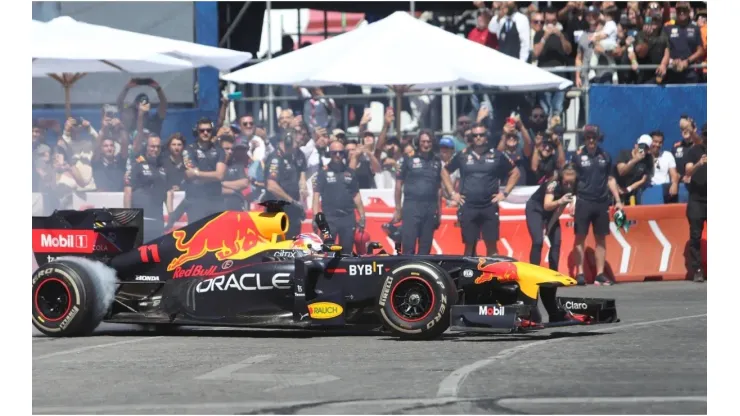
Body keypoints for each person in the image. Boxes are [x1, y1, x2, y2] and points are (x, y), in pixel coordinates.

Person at [444, 123, 520, 256]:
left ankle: (493, 276)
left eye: (481, 135)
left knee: (492, 247)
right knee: (469, 247)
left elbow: (515, 172)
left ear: (486, 137)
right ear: (471, 137)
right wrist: (452, 193)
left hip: (489, 206)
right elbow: (444, 171)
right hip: (467, 206)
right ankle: (469, 275)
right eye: (475, 135)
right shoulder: (462, 155)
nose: (478, 137)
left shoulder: (497, 154)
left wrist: (505, 193)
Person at [572, 124, 624, 286]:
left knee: (601, 238)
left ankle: (600, 274)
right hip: (583, 201)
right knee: (580, 237)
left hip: (601, 202)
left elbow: (610, 179)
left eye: (594, 137)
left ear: (598, 138)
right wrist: (572, 200)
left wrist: (618, 201)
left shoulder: (605, 156)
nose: (591, 140)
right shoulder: (578, 157)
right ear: (584, 139)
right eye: (588, 137)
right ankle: (580, 273)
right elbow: (571, 179)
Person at [393, 130, 456, 255]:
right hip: (411, 207)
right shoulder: (408, 159)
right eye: (423, 141)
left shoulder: (437, 161)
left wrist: (439, 213)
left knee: (425, 248)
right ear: (418, 142)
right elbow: (399, 185)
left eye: (428, 141)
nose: (426, 144)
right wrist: (398, 209)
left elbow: (439, 189)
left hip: (430, 208)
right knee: (409, 246)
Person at [311, 141, 365, 254]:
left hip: (348, 218)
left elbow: (356, 195)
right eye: (334, 153)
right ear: (330, 154)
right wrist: (315, 216)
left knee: (346, 252)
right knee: (327, 251)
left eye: (340, 153)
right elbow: (316, 195)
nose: (337, 155)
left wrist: (362, 215)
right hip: (329, 219)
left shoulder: (350, 173)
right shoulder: (322, 173)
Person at [526, 163, 577, 271]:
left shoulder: (574, 185)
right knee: (538, 241)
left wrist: (550, 225)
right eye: (566, 182)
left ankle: (553, 273)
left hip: (552, 212)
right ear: (562, 176)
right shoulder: (553, 184)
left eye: (571, 182)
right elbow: (547, 205)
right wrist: (560, 200)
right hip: (536, 208)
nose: (568, 185)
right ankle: (533, 272)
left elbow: (560, 209)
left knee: (556, 241)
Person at [182, 118, 227, 224]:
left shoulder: (219, 150)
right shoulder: (189, 150)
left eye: (208, 130)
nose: (205, 133)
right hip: (195, 201)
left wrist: (198, 174)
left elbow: (220, 175)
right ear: (196, 132)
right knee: (196, 236)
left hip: (216, 200)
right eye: (202, 130)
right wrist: (213, 175)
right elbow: (189, 174)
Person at [265, 129, 308, 239]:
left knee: (293, 246)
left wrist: (300, 203)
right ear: (288, 141)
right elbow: (271, 185)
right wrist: (292, 202)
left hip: (292, 212)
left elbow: (300, 179)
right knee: (278, 249)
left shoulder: (293, 157)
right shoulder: (275, 158)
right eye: (297, 143)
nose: (298, 147)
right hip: (277, 212)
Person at [124, 134, 168, 242]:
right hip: (141, 220)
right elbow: (127, 192)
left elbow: (166, 192)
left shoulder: (164, 166)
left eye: (158, 147)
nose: (155, 149)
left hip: (158, 221)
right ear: (147, 147)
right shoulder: (137, 164)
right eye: (152, 146)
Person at [683, 123, 707, 282]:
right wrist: (700, 163)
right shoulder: (694, 152)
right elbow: (687, 171)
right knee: (695, 235)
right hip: (697, 199)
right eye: (707, 135)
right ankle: (697, 269)